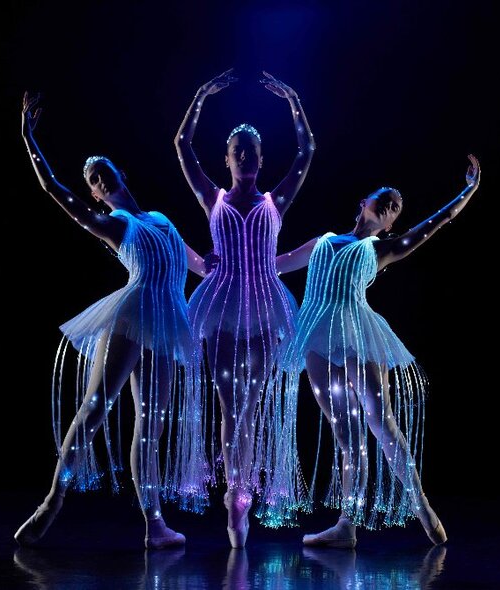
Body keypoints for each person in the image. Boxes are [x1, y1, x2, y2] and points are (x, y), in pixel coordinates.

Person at [14, 92, 211, 549]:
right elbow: (54, 191)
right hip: (133, 312)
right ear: (96, 193)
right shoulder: (115, 223)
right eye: (91, 179)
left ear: (121, 174)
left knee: (154, 421)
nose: (97, 178)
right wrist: (30, 140)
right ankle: (52, 502)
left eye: (102, 171)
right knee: (97, 405)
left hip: (168, 320)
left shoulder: (160, 218)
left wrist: (224, 263)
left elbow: (196, 262)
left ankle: (155, 523)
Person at [275, 155, 481, 548]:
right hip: (316, 339)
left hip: (357, 334)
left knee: (381, 422)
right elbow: (276, 265)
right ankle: (346, 526)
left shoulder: (381, 248)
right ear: (364, 203)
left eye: (396, 206)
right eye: (384, 198)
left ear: (391, 222)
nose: (391, 203)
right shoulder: (323, 242)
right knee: (347, 437)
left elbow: (433, 225)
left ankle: (421, 504)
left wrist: (467, 192)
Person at [174, 69, 316, 546]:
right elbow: (181, 146)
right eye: (238, 152)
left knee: (250, 407)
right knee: (226, 403)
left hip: (264, 308)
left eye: (252, 152)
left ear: (260, 157)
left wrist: (293, 99)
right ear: (228, 159)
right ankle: (233, 495)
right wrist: (200, 95)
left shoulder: (276, 201)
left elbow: (307, 151)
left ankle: (242, 496)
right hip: (220, 305)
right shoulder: (212, 198)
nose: (246, 158)